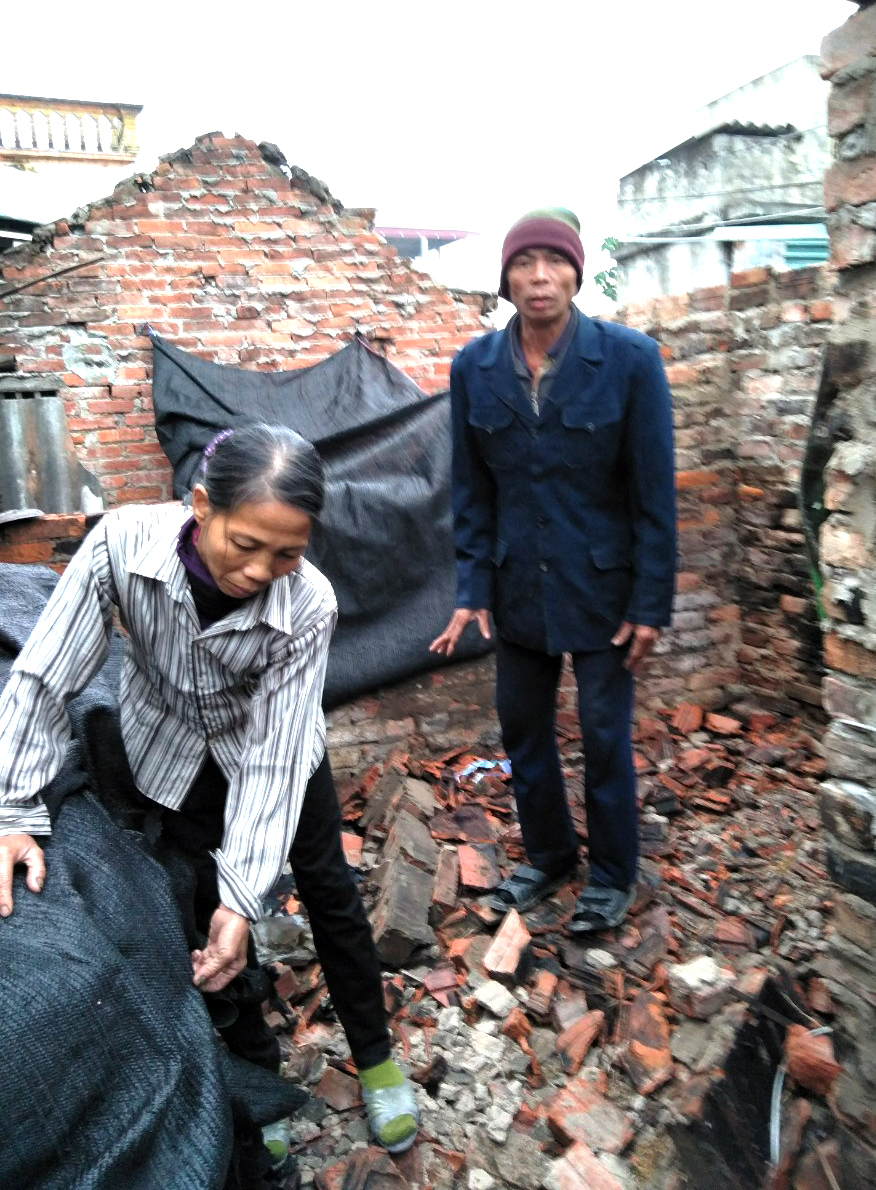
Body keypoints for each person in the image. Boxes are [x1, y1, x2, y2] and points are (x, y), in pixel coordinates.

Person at [0, 423, 418, 1163]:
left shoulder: (308, 604)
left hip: (275, 752)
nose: (262, 571)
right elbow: (44, 673)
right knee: (197, 919)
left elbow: (273, 758)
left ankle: (377, 1057)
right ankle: (257, 1076)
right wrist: (14, 807)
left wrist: (246, 893)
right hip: (166, 750)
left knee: (328, 895)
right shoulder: (122, 545)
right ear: (200, 505)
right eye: (246, 545)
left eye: (286, 552)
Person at [430, 209, 676, 933]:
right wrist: (472, 588)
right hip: (519, 591)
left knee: (604, 738)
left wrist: (651, 604)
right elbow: (471, 492)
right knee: (523, 733)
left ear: (576, 271)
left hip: (606, 589)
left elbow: (654, 496)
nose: (539, 278)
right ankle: (549, 856)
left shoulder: (629, 360)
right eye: (523, 263)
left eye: (554, 262)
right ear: (505, 278)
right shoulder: (474, 368)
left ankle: (611, 874)